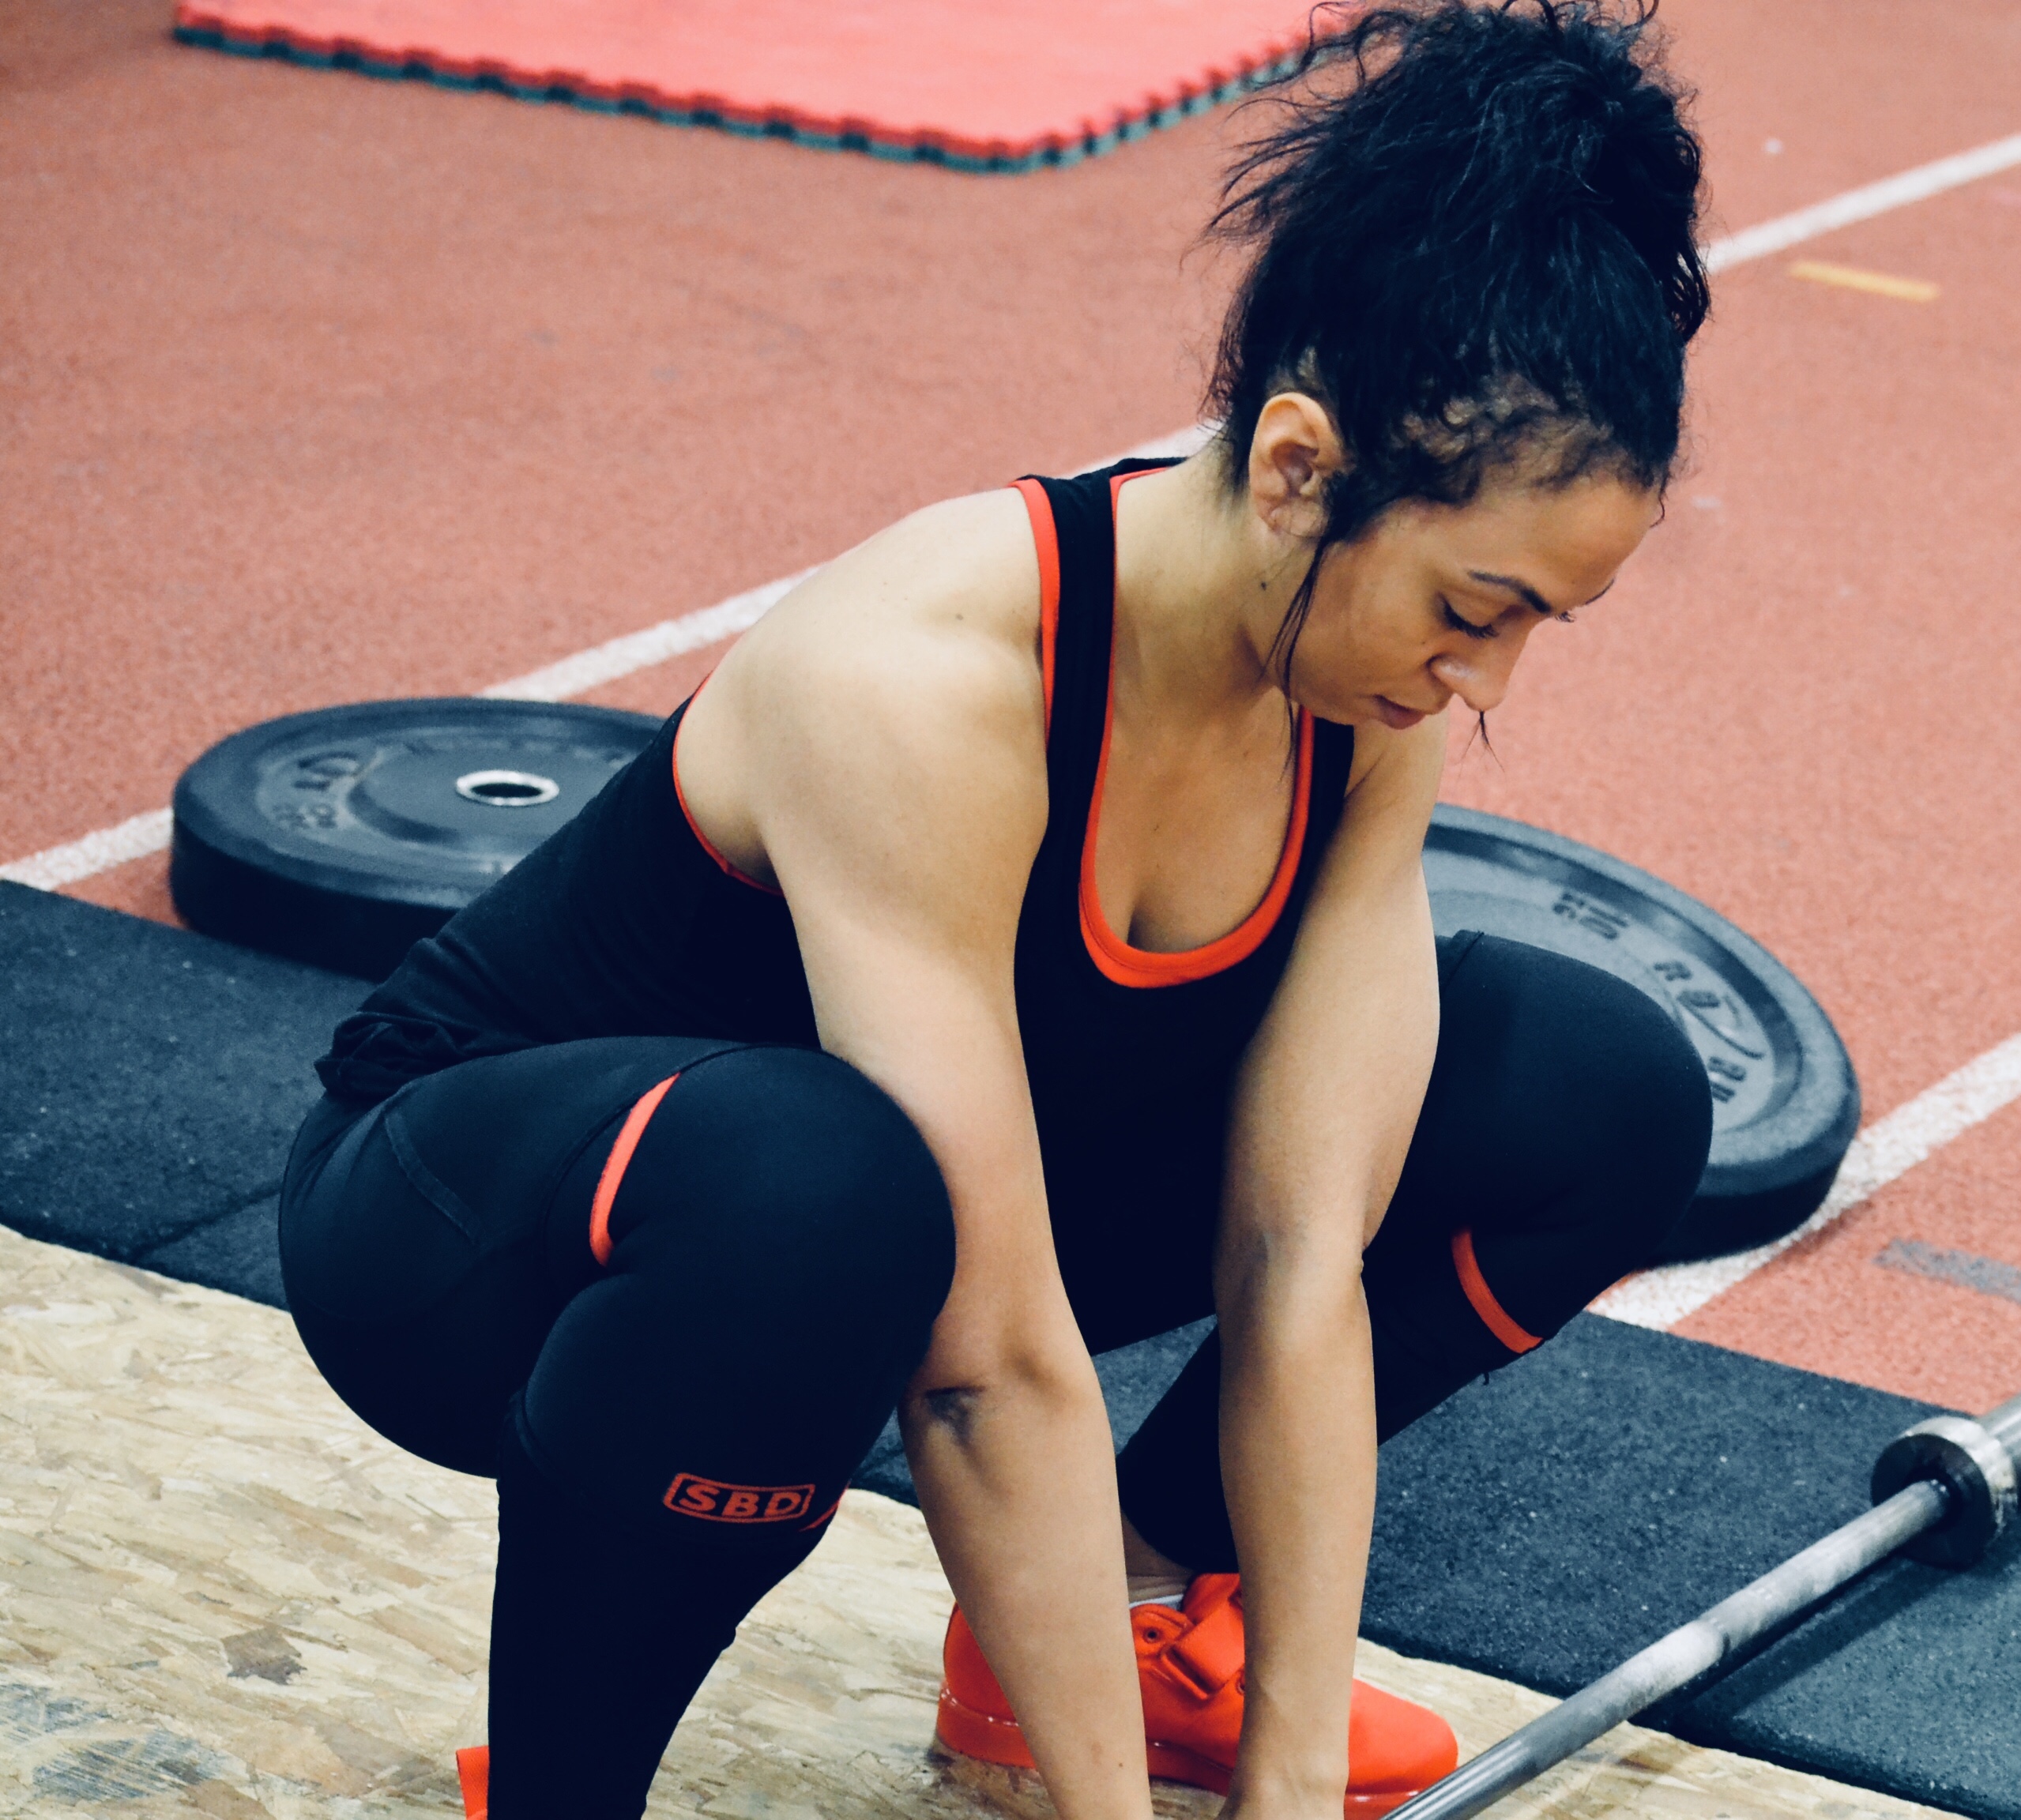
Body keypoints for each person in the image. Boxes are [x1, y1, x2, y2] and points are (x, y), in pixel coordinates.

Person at [277, 3, 1714, 1816]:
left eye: (1532, 629)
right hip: (477, 1237)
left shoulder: (1358, 699)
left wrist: (1282, 1789)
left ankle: (1132, 1616)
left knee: (1596, 1089)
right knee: (826, 1183)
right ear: (1298, 472)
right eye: (1470, 608)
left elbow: (1298, 1272)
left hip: (906, 1212)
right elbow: (989, 1358)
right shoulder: (926, 681)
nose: (1484, 681)